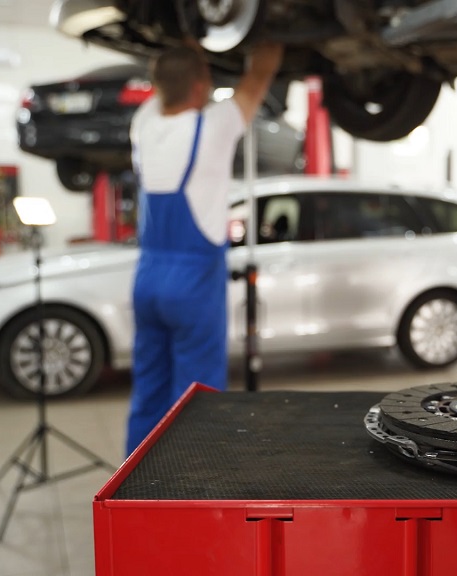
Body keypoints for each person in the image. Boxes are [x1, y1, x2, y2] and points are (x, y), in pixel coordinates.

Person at [126, 40, 285, 455]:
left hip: (147, 278)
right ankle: (192, 491)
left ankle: (134, 498)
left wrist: (192, 42)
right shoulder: (211, 128)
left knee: (150, 391)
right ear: (200, 86)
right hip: (192, 282)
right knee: (197, 402)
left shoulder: (143, 126)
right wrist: (272, 41)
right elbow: (259, 76)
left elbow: (169, 85)